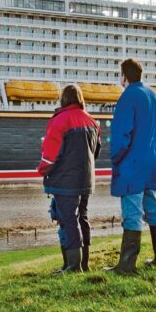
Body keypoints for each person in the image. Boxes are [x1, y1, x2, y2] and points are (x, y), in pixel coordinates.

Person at [107, 58, 156, 274]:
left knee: (132, 211)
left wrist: (115, 157)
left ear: (124, 76)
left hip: (133, 161)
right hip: (153, 159)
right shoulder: (154, 96)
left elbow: (122, 134)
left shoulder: (127, 97)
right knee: (152, 206)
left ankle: (127, 265)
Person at [38, 84, 101, 273]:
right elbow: (95, 152)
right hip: (86, 180)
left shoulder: (59, 121)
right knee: (82, 218)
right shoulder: (92, 121)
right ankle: (83, 264)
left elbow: (49, 155)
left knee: (68, 220)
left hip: (65, 182)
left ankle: (72, 266)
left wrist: (42, 170)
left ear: (63, 99)